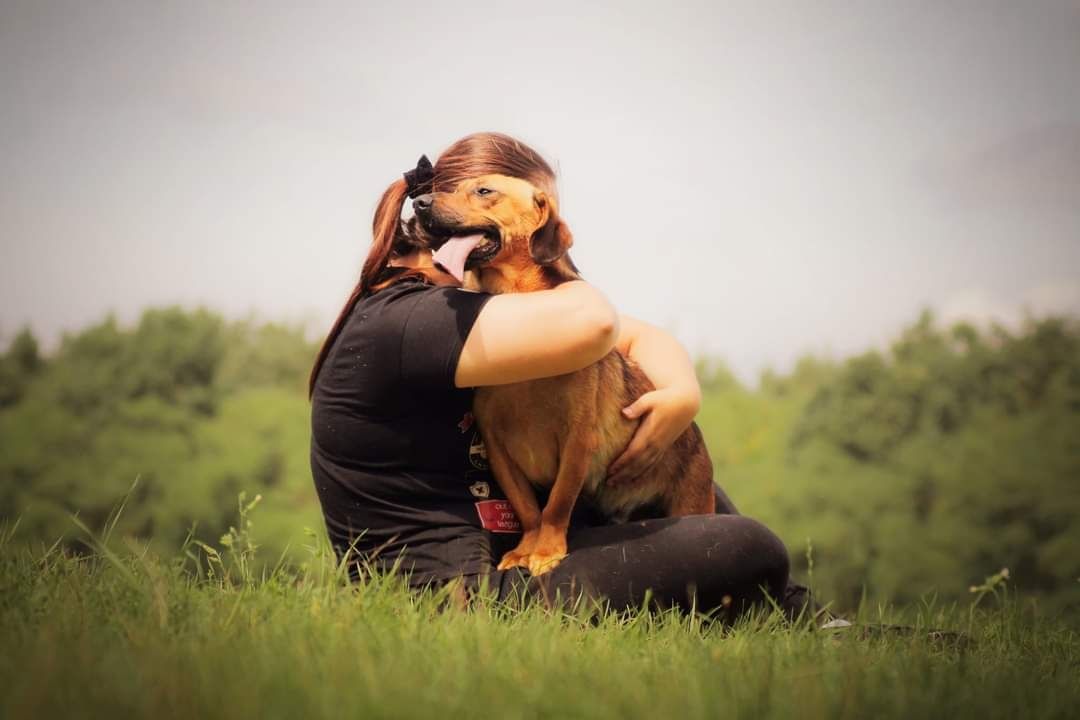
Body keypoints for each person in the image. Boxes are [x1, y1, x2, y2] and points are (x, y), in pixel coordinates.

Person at [309, 132, 809, 619]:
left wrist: (680, 397)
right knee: (744, 544)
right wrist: (555, 266)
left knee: (681, 464)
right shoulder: (417, 318)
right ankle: (787, 609)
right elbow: (595, 322)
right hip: (460, 596)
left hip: (518, 562)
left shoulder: (441, 308)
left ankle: (807, 619)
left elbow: (634, 337)